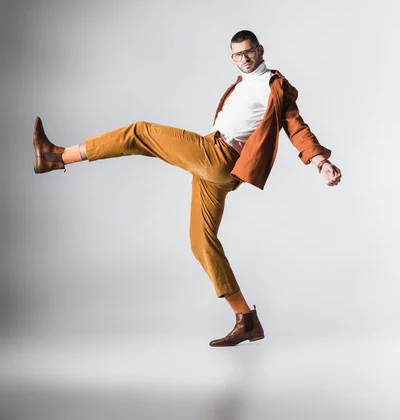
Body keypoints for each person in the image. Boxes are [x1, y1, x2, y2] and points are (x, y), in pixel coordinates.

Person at [33, 29, 342, 347]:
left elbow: (297, 128)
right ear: (232, 57)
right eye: (237, 54)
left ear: (261, 50)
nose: (244, 59)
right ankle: (246, 320)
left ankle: (57, 156)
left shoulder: (275, 87)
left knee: (140, 132)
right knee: (201, 243)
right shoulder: (239, 85)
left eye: (249, 52)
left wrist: (320, 162)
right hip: (213, 165)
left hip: (219, 157)